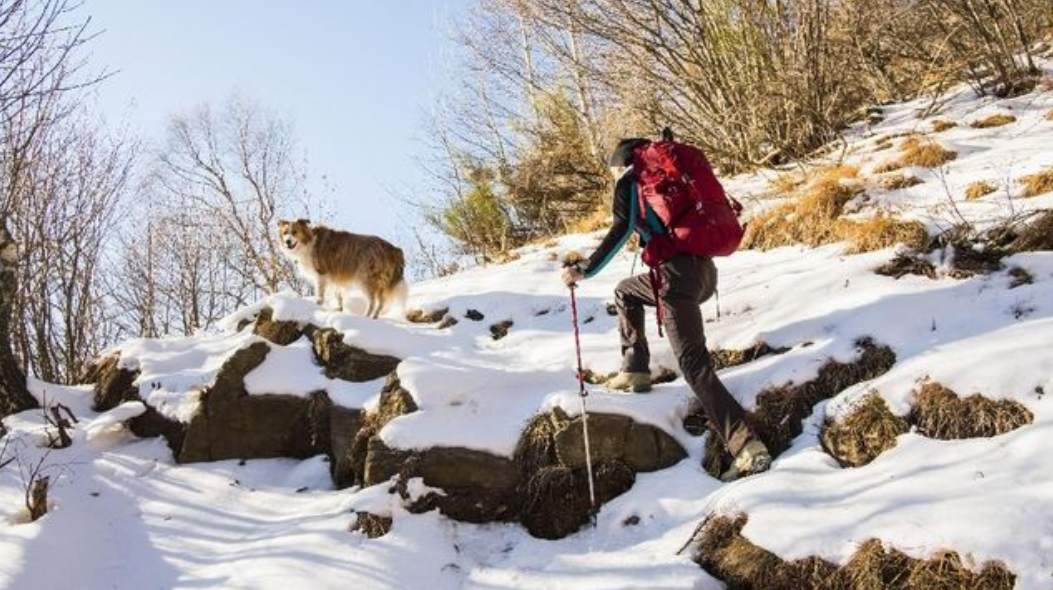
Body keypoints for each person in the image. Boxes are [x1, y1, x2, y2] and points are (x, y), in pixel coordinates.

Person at [561, 137, 771, 481]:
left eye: (614, 169)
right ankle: (635, 369)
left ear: (622, 163)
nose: (614, 174)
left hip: (675, 279)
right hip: (703, 274)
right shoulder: (672, 175)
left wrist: (584, 270)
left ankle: (747, 446)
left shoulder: (632, 182)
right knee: (626, 291)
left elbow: (620, 229)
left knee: (693, 364)